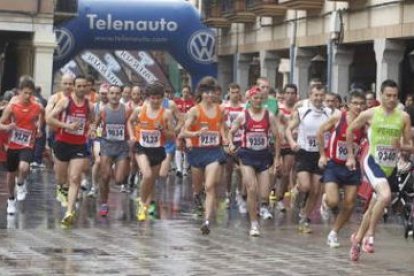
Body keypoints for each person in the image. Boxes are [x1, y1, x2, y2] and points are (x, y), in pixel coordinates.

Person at [346, 80, 412, 261]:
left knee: (376, 205)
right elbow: (350, 131)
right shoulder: (370, 114)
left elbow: (409, 145)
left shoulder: (403, 117)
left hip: (390, 166)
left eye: (394, 96)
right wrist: (351, 156)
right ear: (380, 96)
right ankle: (370, 237)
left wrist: (403, 146)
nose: (391, 99)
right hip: (372, 161)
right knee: (385, 197)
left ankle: (357, 239)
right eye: (388, 95)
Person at [229, 86, 281, 236]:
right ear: (249, 100)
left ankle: (259, 208)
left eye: (260, 98)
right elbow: (231, 132)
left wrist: (277, 158)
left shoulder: (269, 115)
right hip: (247, 156)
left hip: (263, 155)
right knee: (252, 189)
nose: (258, 101)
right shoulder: (243, 116)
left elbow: (278, 136)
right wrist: (231, 143)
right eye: (255, 98)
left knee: (264, 194)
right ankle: (254, 224)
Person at [316, 91, 366, 248]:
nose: (358, 107)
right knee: (333, 201)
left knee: (350, 204)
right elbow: (320, 131)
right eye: (355, 103)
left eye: (361, 103)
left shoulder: (364, 121)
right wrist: (322, 155)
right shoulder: (339, 117)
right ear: (348, 104)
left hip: (352, 166)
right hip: (334, 165)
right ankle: (325, 202)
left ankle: (334, 233)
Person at [46, 75, 94, 226]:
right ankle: (62, 189)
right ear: (74, 87)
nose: (81, 89)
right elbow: (49, 119)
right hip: (62, 143)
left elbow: (92, 120)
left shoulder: (89, 104)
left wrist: (91, 129)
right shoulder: (65, 101)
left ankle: (69, 211)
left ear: (87, 87)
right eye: (78, 86)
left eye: (83, 86)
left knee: (74, 178)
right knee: (62, 179)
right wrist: (67, 126)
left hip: (79, 145)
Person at [181, 81, 227, 235]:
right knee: (199, 187)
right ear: (201, 94)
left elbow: (222, 127)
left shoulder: (220, 110)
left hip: (214, 152)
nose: (209, 95)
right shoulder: (194, 111)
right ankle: (196, 195)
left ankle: (207, 221)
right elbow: (183, 132)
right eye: (206, 93)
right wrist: (195, 134)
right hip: (197, 152)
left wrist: (227, 140)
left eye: (211, 92)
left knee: (210, 186)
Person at [286, 83, 332, 233]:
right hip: (304, 152)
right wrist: (292, 142)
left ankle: (304, 218)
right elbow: (288, 129)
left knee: (316, 190)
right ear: (310, 96)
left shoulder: (329, 113)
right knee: (305, 186)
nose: (318, 98)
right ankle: (297, 190)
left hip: (320, 155)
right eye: (315, 95)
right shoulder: (302, 111)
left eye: (321, 95)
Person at [127, 82, 175, 221]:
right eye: (152, 98)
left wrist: (163, 130)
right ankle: (142, 205)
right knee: (147, 175)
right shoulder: (139, 110)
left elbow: (172, 135)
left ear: (162, 98)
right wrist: (131, 136)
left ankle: (146, 207)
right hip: (141, 148)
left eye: (158, 98)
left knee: (151, 181)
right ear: (147, 98)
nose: (155, 101)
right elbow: (130, 122)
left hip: (157, 150)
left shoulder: (166, 114)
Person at [0, 78, 44, 215]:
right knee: (10, 174)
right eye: (25, 93)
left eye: (30, 93)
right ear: (19, 92)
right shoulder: (12, 107)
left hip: (27, 144)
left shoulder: (37, 106)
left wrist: (40, 127)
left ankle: (21, 184)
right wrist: (7, 126)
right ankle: (11, 201)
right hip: (13, 144)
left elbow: (42, 114)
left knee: (24, 167)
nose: (28, 96)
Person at [93, 84, 131, 216]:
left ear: (121, 95)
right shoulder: (103, 110)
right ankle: (104, 203)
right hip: (107, 146)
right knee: (104, 177)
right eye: (112, 93)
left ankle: (119, 171)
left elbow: (132, 125)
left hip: (121, 148)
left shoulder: (126, 110)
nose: (114, 96)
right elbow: (95, 124)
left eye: (117, 93)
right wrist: (92, 131)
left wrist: (132, 138)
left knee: (119, 180)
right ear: (108, 95)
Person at [45, 73, 75, 207]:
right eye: (66, 83)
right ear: (60, 84)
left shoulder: (78, 99)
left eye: (70, 84)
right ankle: (61, 187)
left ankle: (68, 190)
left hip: (74, 137)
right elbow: (48, 115)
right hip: (57, 136)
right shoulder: (55, 98)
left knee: (73, 168)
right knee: (59, 168)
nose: (68, 86)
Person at [272, 84, 298, 212]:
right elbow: (275, 125)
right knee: (276, 172)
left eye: (293, 93)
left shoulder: (299, 109)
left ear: (296, 95)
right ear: (284, 94)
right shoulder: (279, 108)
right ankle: (267, 196)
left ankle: (279, 199)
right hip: (278, 143)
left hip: (290, 145)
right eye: (287, 93)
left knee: (286, 172)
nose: (290, 95)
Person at [222, 83, 244, 208]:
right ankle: (227, 193)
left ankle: (239, 192)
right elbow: (221, 125)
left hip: (241, 140)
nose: (235, 95)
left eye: (237, 92)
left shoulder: (244, 107)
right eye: (232, 92)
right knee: (228, 169)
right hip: (228, 141)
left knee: (241, 169)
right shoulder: (223, 107)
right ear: (229, 93)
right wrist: (225, 140)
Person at [87, 83, 109, 197]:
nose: (104, 96)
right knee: (98, 161)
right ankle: (94, 186)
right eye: (102, 94)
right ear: (98, 94)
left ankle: (105, 185)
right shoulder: (94, 107)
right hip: (98, 138)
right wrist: (92, 130)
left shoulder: (115, 106)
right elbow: (90, 121)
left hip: (111, 140)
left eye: (106, 94)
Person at [174, 85, 195, 177]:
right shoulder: (176, 102)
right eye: (184, 91)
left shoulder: (192, 103)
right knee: (178, 146)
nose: (185, 93)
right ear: (181, 92)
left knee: (187, 148)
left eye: (187, 92)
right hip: (179, 127)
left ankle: (185, 169)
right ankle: (179, 169)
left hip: (188, 128)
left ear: (189, 93)